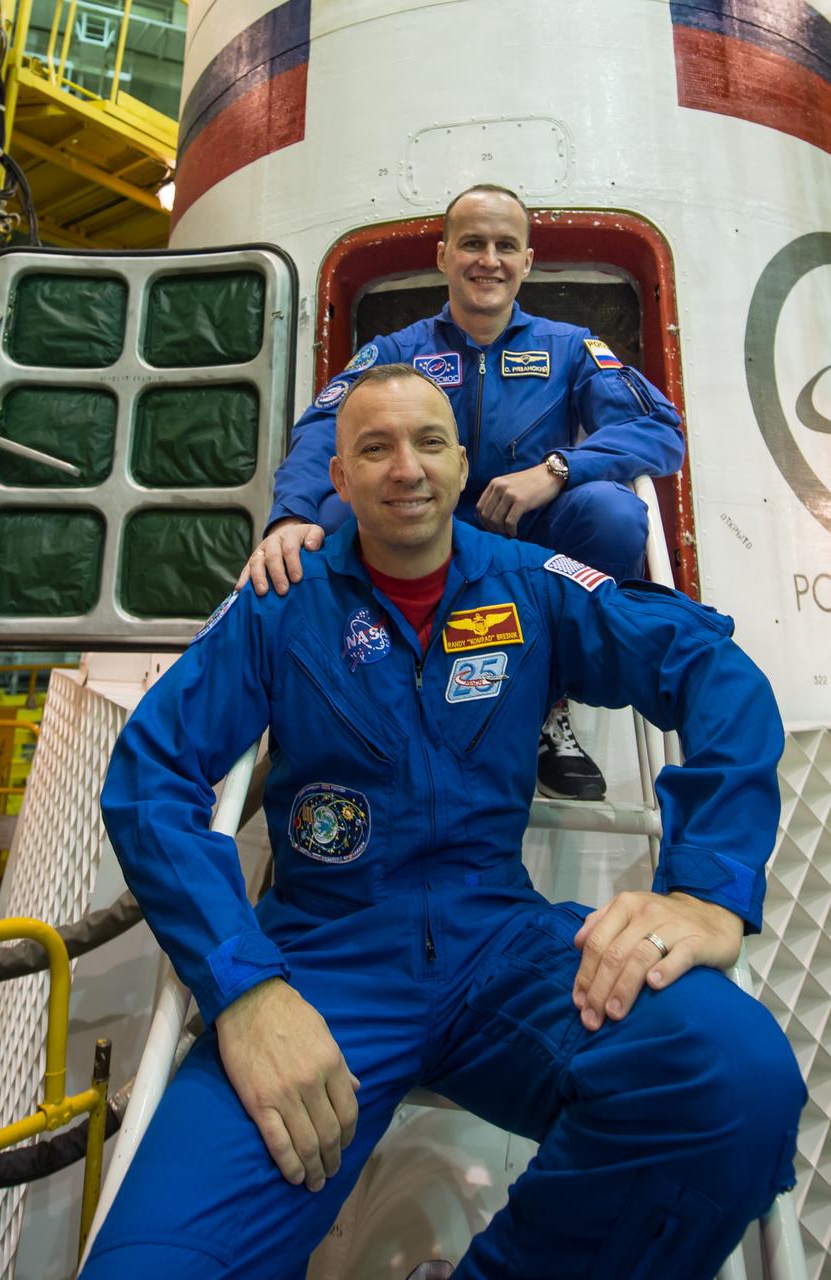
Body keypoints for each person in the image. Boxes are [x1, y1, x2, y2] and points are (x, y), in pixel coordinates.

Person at [86, 366, 803, 1280]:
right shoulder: (281, 602)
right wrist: (244, 989)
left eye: (428, 443)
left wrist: (705, 890)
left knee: (731, 1082)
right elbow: (151, 779)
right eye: (374, 448)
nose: (406, 469)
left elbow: (712, 671)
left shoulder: (533, 585)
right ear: (337, 479)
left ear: (463, 465)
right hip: (320, 964)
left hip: (497, 946)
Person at [237, 183, 686, 803]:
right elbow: (321, 434)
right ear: (443, 255)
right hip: (420, 537)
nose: (489, 260)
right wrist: (288, 518)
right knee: (335, 514)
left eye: (506, 246)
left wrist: (556, 469)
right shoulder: (395, 353)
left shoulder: (570, 348)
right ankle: (346, 698)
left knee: (611, 511)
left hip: (528, 540)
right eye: (472, 243)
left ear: (528, 263)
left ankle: (546, 705)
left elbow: (659, 429)